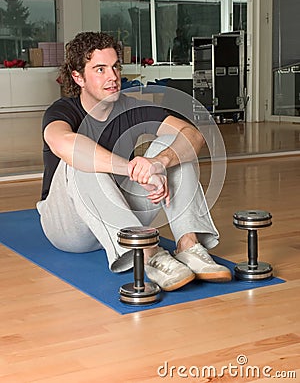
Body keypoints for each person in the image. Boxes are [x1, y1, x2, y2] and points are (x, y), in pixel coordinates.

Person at [37, 31, 231, 292]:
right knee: (80, 160)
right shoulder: (62, 111)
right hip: (69, 226)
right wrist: (130, 167)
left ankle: (188, 245)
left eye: (115, 66)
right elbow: (63, 143)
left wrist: (160, 162)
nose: (113, 77)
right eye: (100, 69)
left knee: (174, 148)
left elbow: (193, 135)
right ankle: (149, 253)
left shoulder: (131, 107)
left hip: (119, 211)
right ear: (78, 77)